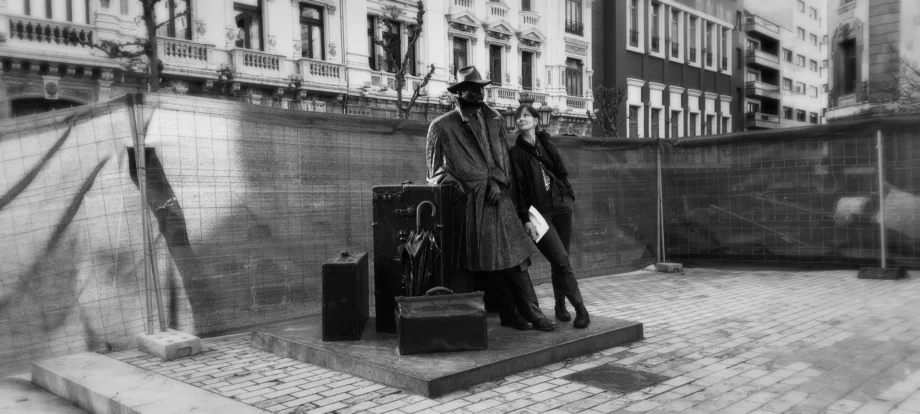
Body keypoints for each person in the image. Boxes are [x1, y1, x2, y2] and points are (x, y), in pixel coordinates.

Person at [426, 66, 556, 331]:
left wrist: (497, 181)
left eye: (481, 87)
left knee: (515, 258)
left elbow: (503, 161)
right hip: (469, 205)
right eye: (472, 88)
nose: (479, 92)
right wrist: (465, 187)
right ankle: (512, 313)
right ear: (459, 92)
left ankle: (530, 312)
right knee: (491, 264)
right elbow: (434, 173)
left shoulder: (495, 119)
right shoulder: (441, 126)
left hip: (498, 200)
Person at [509, 104, 591, 329]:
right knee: (562, 260)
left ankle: (559, 306)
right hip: (539, 215)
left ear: (536, 121)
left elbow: (562, 173)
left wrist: (568, 195)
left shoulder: (547, 145)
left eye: (526, 115)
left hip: (562, 207)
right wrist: (525, 218)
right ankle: (581, 310)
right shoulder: (516, 153)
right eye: (518, 117)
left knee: (560, 261)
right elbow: (519, 189)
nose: (520, 119)